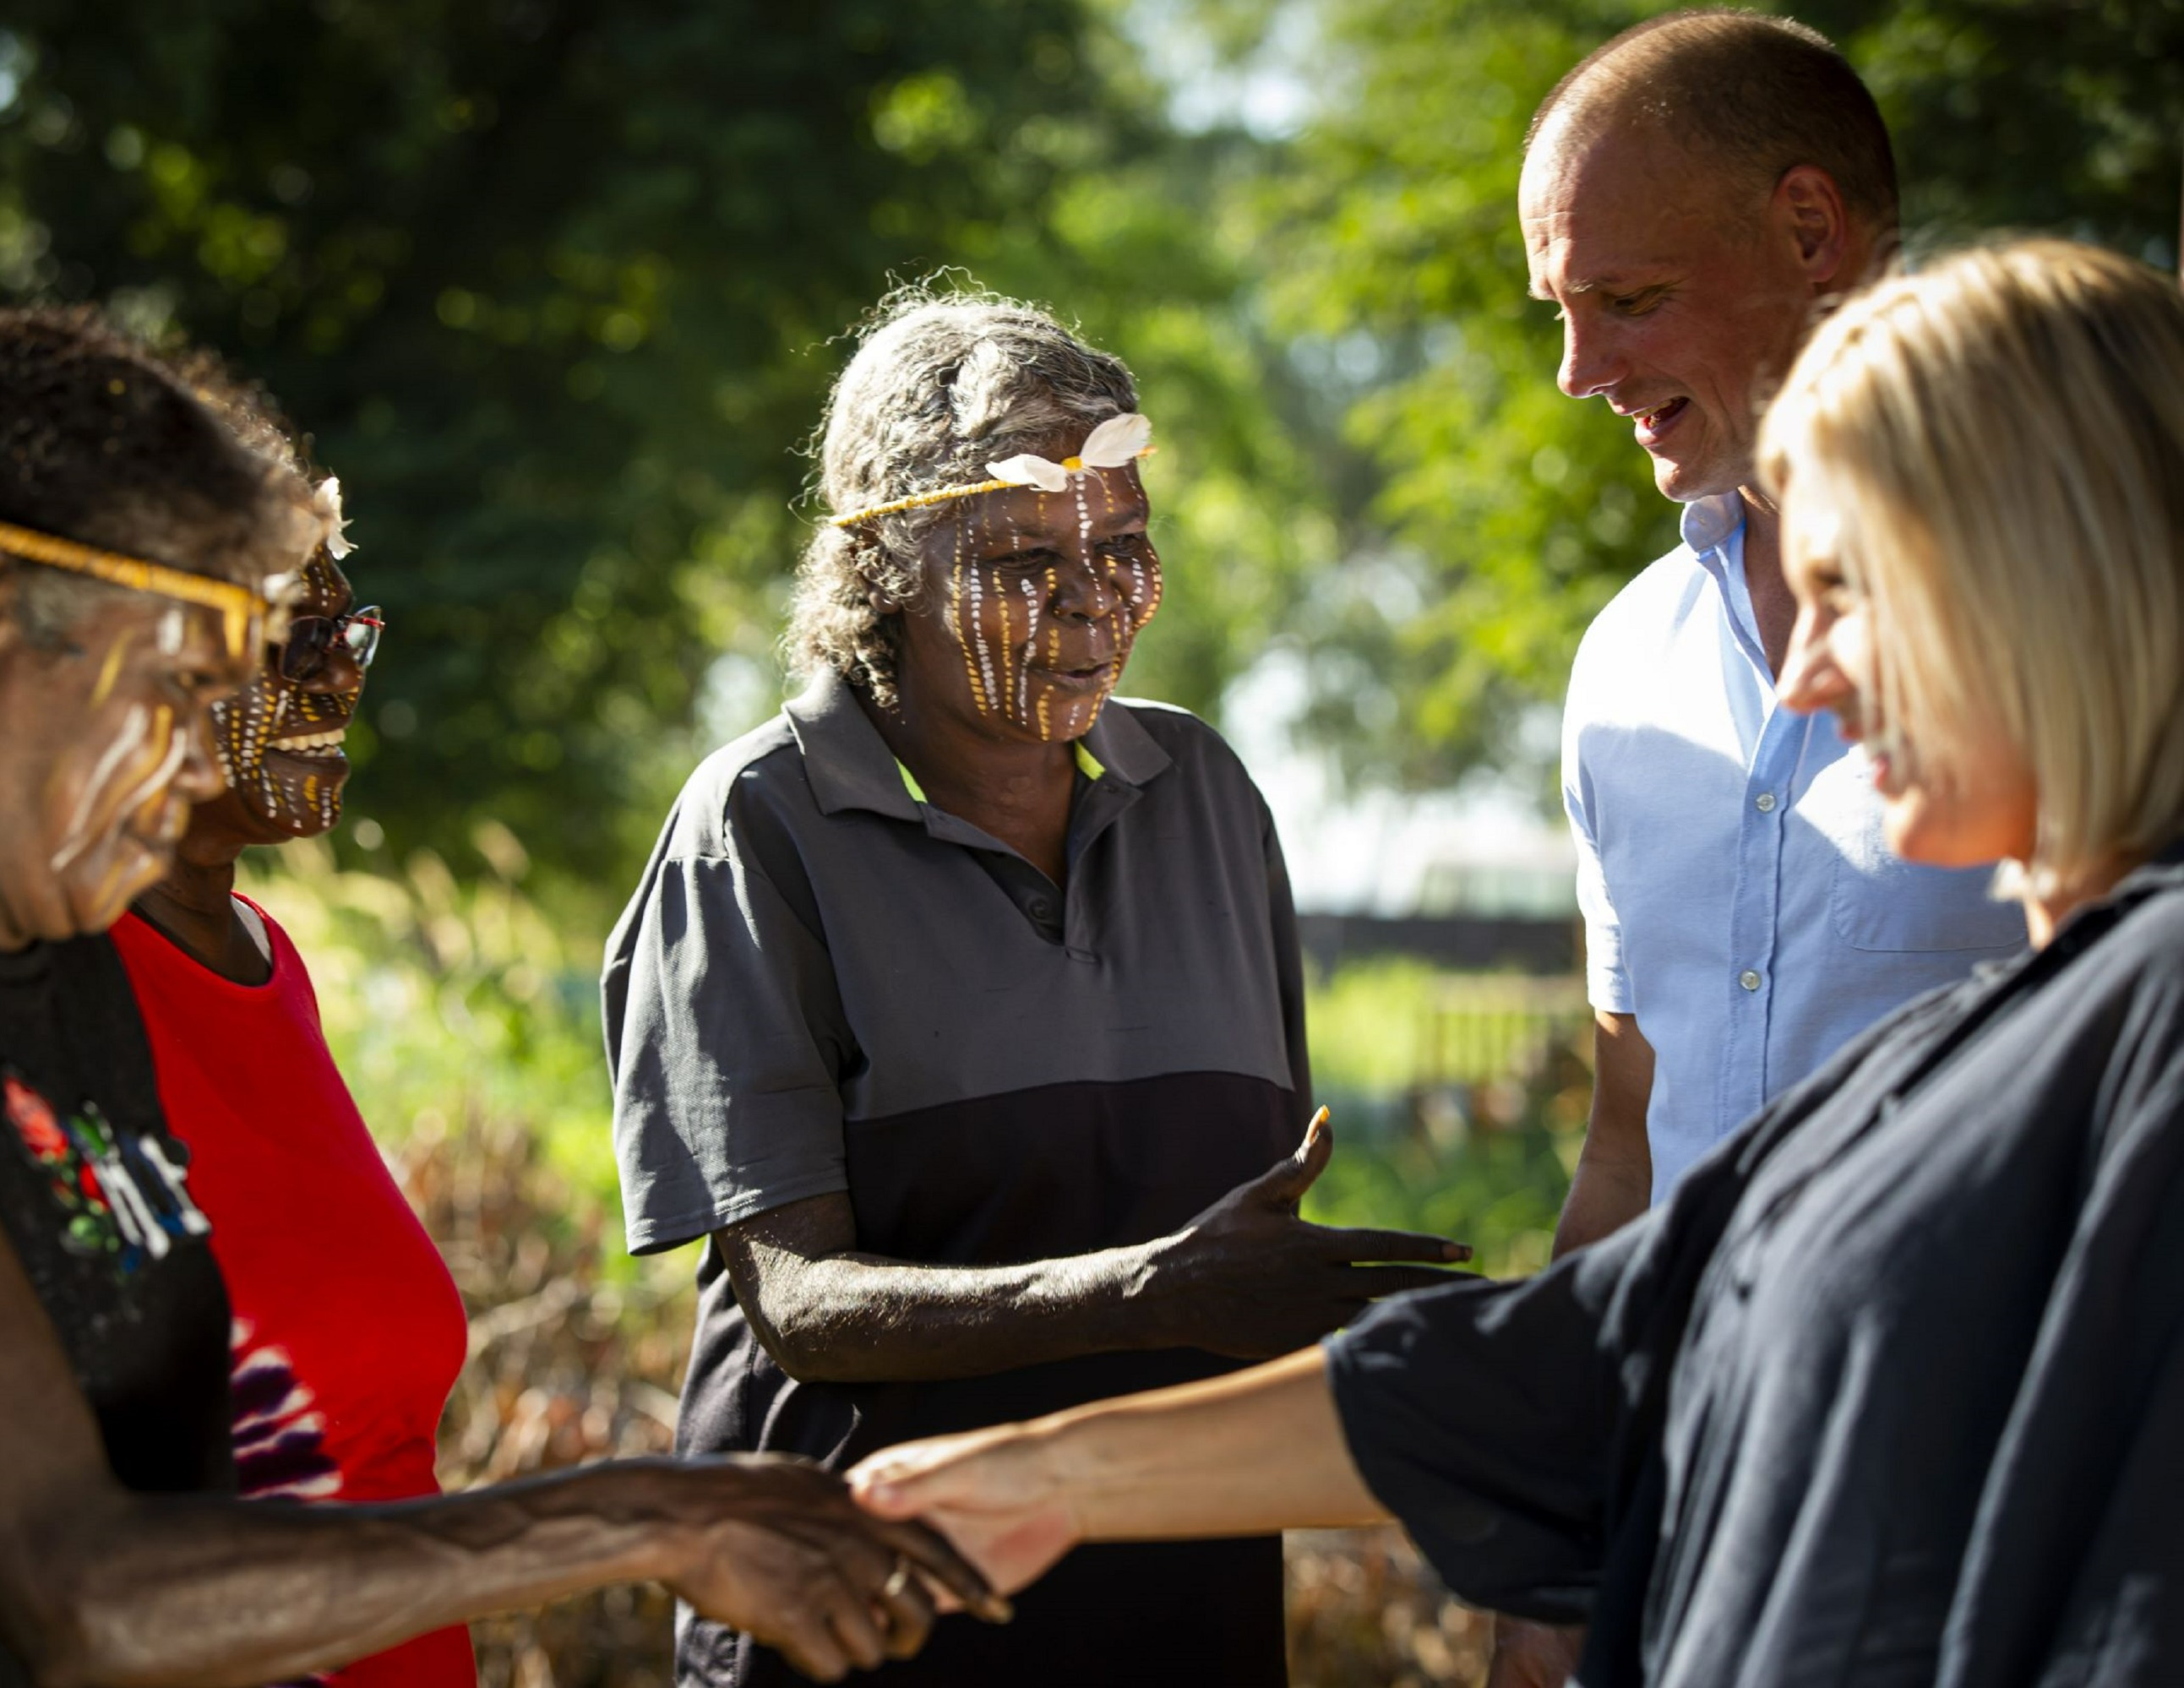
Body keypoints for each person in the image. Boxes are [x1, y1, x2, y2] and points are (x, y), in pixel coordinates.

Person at [847, 239, 2184, 1688]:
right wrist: (1025, 1479)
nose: (1803, 677)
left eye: (1854, 590)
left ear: (2054, 576)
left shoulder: (2154, 1017)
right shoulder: (1983, 1039)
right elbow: (1578, 1363)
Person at [0, 309, 996, 1688]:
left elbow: (223, 1484)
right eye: (184, 680)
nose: (200, 757)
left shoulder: (9, 964)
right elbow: (84, 1585)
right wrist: (649, 1512)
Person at [602, 291, 1473, 1688]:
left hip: (1182, 1618)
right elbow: (798, 1302)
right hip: (866, 1620)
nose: (1090, 596)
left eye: (1123, 544)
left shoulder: (1206, 798)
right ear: (885, 566)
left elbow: (1238, 1227)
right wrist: (1153, 1291)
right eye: (1020, 556)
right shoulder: (757, 827)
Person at [1534, 9, 2026, 1261]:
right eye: (1559, 311)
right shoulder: (1624, 662)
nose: (1579, 372)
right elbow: (1625, 1144)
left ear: (1813, 234)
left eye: (1631, 298)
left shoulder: (2098, 611)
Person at [109, 399, 473, 1685]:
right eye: (292, 632)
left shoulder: (273, 964)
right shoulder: (44, 988)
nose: (339, 673)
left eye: (347, 626)